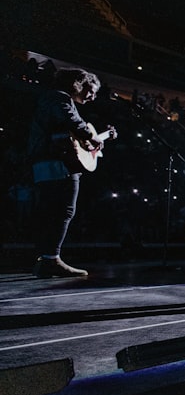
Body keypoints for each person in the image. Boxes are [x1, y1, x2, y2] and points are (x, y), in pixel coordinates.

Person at [27, 67, 112, 278]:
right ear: (79, 83)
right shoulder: (60, 98)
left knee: (50, 212)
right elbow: (71, 121)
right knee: (64, 211)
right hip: (57, 162)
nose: (92, 96)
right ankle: (51, 260)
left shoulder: (51, 98)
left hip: (45, 160)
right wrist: (92, 137)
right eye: (91, 90)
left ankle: (45, 258)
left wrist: (97, 137)